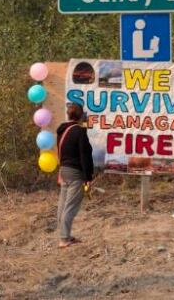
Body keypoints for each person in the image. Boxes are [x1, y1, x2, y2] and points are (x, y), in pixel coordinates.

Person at [55, 103, 94, 248]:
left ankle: (64, 235)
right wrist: (88, 177)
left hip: (64, 170)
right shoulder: (79, 132)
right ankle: (64, 238)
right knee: (70, 206)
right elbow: (85, 155)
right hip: (75, 172)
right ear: (80, 115)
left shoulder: (62, 130)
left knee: (63, 204)